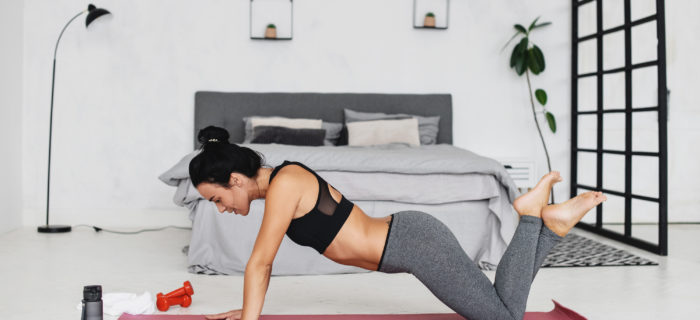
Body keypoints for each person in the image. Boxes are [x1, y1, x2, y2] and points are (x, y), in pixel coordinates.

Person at [189, 126, 607, 320]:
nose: (221, 208)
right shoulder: (283, 181)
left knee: (504, 319)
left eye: (217, 198)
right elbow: (260, 267)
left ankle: (532, 216)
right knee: (503, 309)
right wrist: (249, 311)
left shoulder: (284, 184)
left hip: (413, 243)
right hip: (409, 239)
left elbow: (261, 263)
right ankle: (550, 225)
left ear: (236, 179)